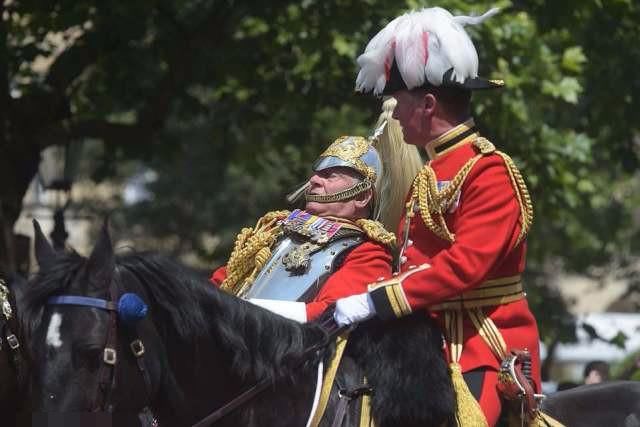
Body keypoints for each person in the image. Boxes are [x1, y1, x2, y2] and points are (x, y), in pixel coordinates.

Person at [332, 7, 546, 426]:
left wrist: (377, 300)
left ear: (428, 104)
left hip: (484, 345)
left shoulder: (489, 170)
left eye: (397, 103)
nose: (390, 114)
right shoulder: (430, 174)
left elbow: (465, 267)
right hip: (426, 339)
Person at [210, 106, 422, 322]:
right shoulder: (273, 230)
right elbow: (223, 282)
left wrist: (244, 311)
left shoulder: (366, 253)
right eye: (317, 173)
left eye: (330, 176)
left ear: (361, 197)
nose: (314, 180)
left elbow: (331, 314)